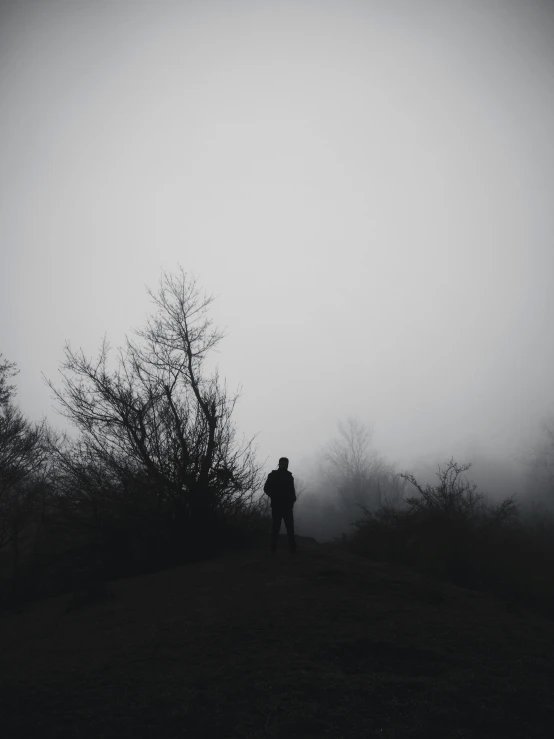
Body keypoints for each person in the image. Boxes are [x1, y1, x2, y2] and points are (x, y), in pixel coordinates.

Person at [264, 457, 297, 554]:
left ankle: (292, 549)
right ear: (279, 464)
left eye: (285, 464)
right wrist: (274, 496)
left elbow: (292, 490)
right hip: (277, 506)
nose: (283, 466)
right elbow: (266, 488)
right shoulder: (273, 475)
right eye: (282, 464)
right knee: (276, 528)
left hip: (286, 506)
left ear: (287, 465)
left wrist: (292, 500)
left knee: (290, 528)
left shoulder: (289, 476)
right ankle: (273, 550)